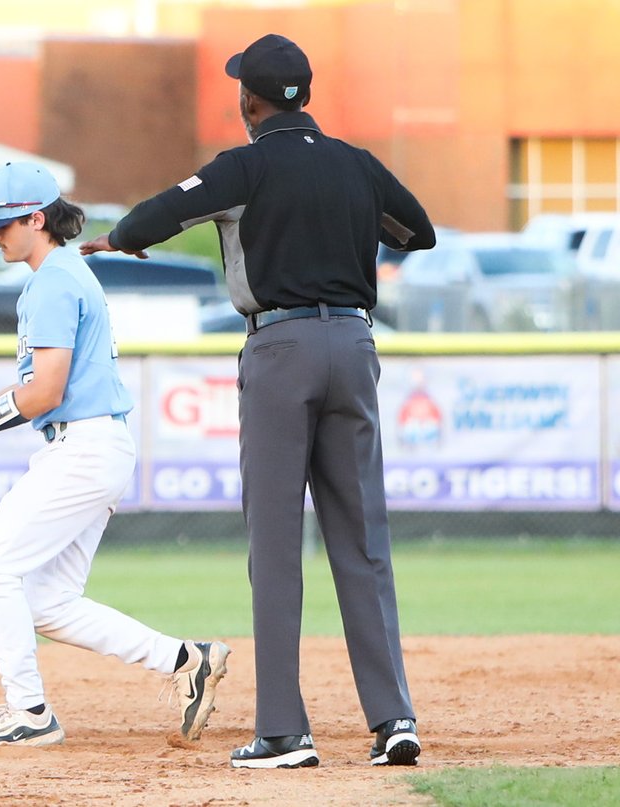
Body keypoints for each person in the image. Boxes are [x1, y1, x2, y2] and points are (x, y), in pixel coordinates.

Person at [81, 34, 434, 768]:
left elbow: (157, 217)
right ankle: (394, 718)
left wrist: (115, 238)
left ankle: (284, 730)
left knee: (277, 545)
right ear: (307, 94)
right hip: (356, 347)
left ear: (249, 101)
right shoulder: (356, 164)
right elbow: (419, 232)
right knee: (363, 542)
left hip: (279, 348)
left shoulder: (245, 164)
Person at [0, 160, 230, 748]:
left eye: (1, 224)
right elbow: (39, 388)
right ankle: (185, 659)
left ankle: (30, 714)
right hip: (87, 446)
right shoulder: (61, 274)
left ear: (36, 219)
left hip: (84, 447)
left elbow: (43, 391)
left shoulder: (53, 282)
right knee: (46, 601)